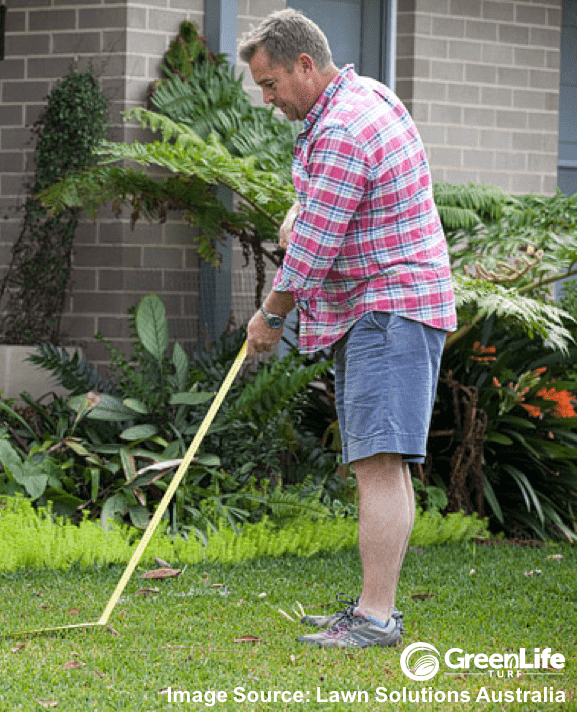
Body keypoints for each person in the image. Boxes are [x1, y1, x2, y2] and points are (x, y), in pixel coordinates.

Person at [238, 9, 457, 649]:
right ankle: (375, 604)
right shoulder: (366, 98)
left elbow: (314, 249)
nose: (268, 97)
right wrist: (297, 215)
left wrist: (270, 315)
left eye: (271, 82)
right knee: (387, 466)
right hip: (398, 308)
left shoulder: (340, 127)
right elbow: (325, 207)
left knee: (377, 465)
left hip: (387, 311)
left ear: (305, 64)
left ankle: (375, 618)